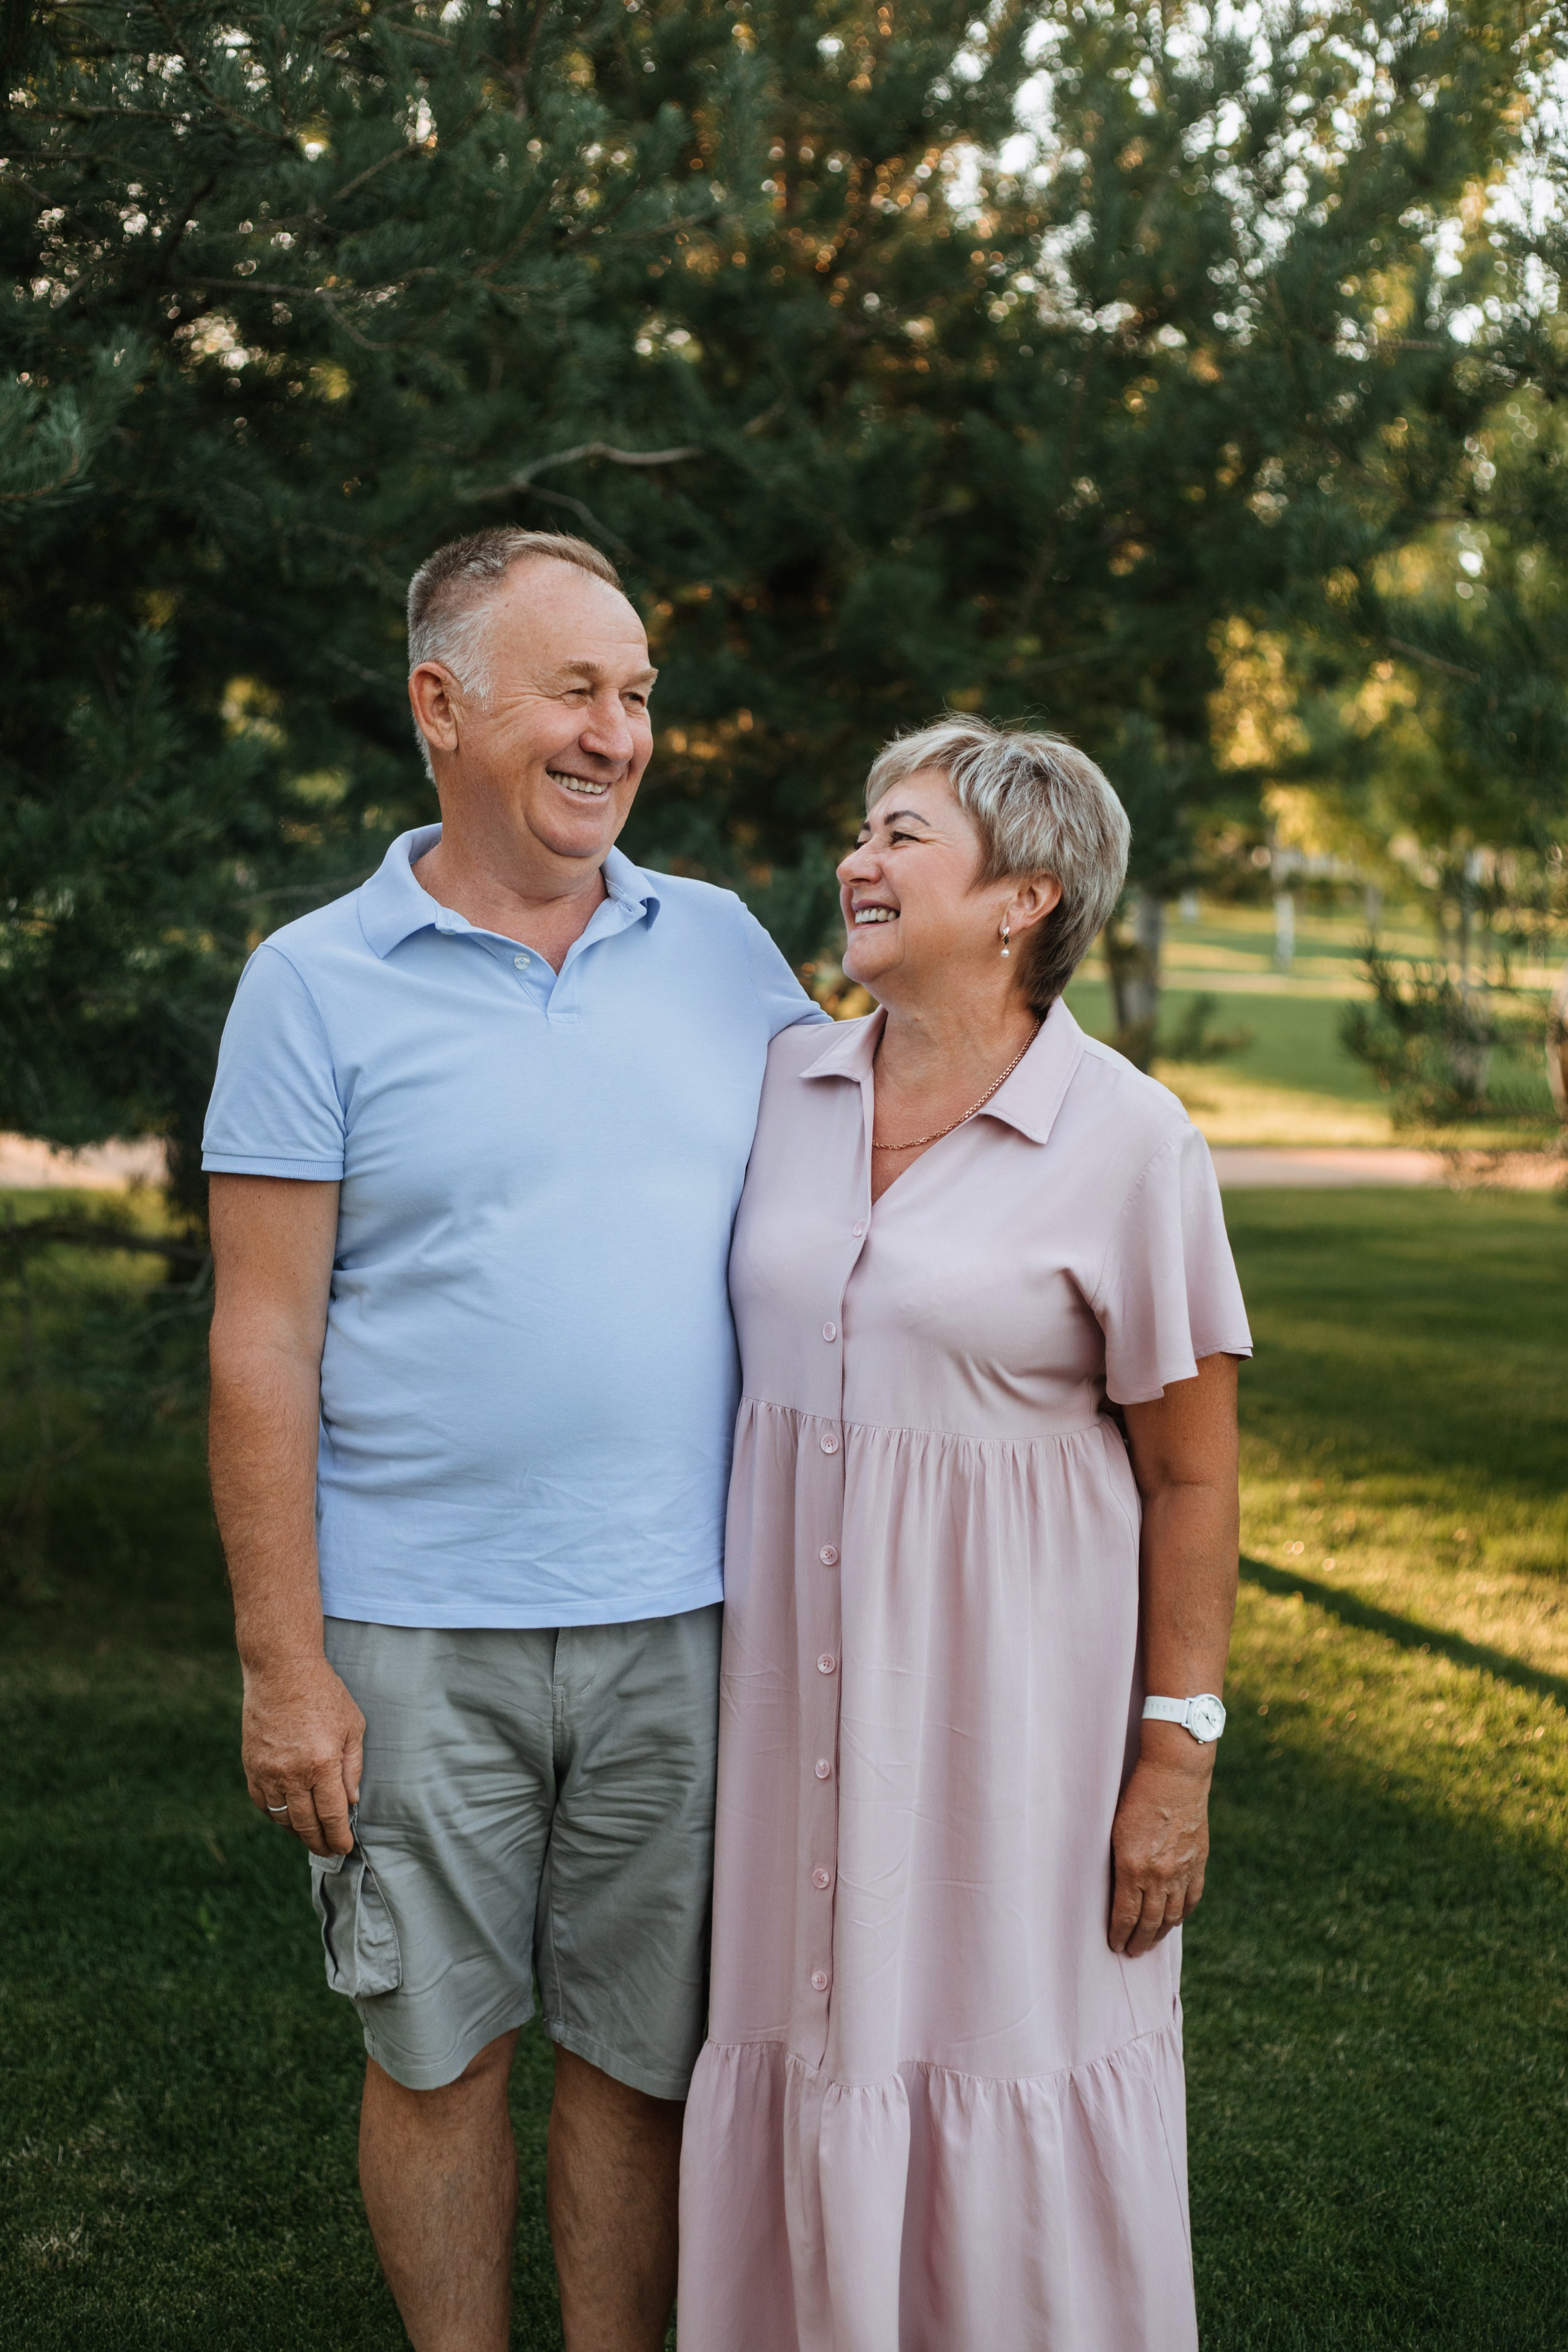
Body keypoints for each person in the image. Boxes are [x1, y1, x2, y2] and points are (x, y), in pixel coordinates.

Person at [203, 527, 825, 2352]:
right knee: (438, 2055)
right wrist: (280, 1664)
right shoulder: (312, 983)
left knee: (640, 2068)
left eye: (636, 697)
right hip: (411, 1638)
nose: (617, 735)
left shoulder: (719, 948)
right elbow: (260, 1337)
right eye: (577, 689)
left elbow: (885, 1165)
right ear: (443, 705)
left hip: (690, 1627)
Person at [678, 718, 1253, 2351]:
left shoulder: (1133, 1142)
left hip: (1020, 1728)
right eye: (865, 826)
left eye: (905, 834)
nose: (858, 858)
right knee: (806, 2033)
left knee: (1004, 2054)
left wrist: (1178, 1758)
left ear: (1024, 899)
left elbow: (1195, 1480)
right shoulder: (783, 1089)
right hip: (796, 1712)